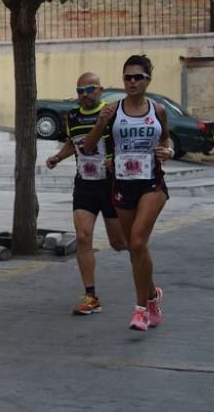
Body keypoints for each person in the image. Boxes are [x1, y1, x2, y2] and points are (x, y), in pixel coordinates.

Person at [83, 55, 174, 331]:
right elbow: (88, 147)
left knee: (136, 242)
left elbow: (166, 138)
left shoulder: (158, 110)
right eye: (127, 77)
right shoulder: (112, 111)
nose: (132, 82)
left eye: (138, 77)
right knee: (135, 248)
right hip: (122, 183)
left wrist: (168, 150)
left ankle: (140, 311)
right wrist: (100, 123)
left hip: (152, 183)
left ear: (148, 80)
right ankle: (152, 297)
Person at [45, 73, 126, 315]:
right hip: (85, 185)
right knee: (82, 237)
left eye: (90, 89)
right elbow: (73, 142)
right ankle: (90, 296)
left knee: (119, 243)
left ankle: (139, 250)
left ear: (100, 90)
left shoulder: (111, 114)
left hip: (111, 184)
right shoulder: (72, 116)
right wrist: (58, 157)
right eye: (80, 90)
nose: (85, 94)